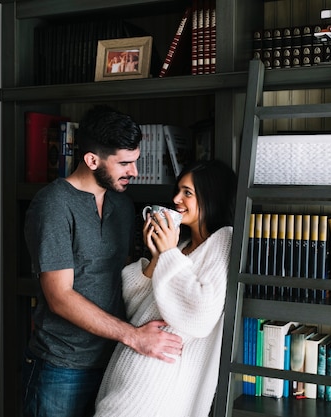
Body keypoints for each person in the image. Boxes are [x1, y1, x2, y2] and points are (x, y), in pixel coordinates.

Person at [22, 105, 183, 417]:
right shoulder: (52, 205)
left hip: (114, 362)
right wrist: (133, 336)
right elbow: (60, 297)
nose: (134, 172)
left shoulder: (121, 205)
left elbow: (121, 276)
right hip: (61, 365)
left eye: (135, 161)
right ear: (92, 160)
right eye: (124, 163)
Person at [94, 159, 238, 417]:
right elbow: (136, 307)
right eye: (178, 190)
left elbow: (201, 315)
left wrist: (169, 253)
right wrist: (158, 256)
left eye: (187, 193)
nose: (176, 199)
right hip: (132, 371)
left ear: (211, 197)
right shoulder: (182, 245)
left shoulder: (223, 240)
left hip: (157, 385)